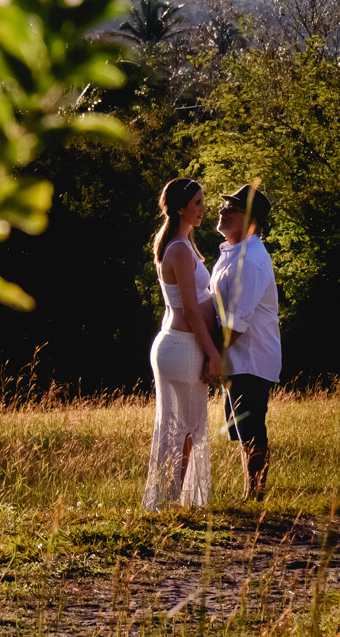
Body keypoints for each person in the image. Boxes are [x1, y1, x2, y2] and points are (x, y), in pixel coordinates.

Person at [142, 178, 223, 512]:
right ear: (180, 208)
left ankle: (172, 500)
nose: (203, 209)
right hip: (183, 345)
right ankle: (171, 501)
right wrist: (213, 354)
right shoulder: (177, 249)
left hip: (179, 344)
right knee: (184, 429)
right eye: (197, 203)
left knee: (182, 427)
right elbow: (189, 311)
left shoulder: (182, 245)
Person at [210, 183, 282, 502]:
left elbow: (237, 321)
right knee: (242, 431)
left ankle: (255, 497)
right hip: (236, 358)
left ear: (251, 220)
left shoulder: (251, 260)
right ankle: (250, 494)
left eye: (232, 208)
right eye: (224, 205)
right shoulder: (233, 253)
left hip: (250, 358)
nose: (222, 210)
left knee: (251, 428)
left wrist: (212, 355)